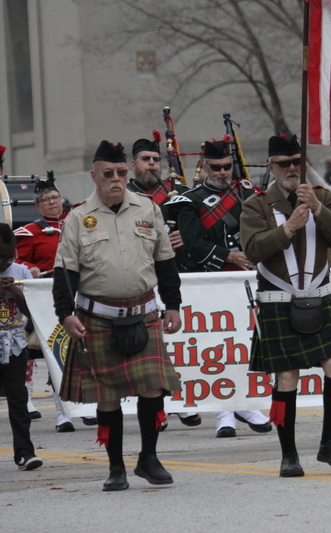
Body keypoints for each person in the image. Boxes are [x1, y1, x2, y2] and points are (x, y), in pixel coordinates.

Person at [53, 140, 182, 491]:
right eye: (107, 173)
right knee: (107, 396)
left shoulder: (147, 208)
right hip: (99, 318)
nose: (116, 179)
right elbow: (65, 274)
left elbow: (165, 261)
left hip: (143, 313)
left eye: (121, 173)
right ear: (94, 176)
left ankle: (149, 458)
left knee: (154, 387)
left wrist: (173, 304)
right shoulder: (79, 217)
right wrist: (65, 314)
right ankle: (115, 467)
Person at [240, 134, 331, 478]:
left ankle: (328, 443)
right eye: (284, 163)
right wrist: (289, 227)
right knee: (287, 376)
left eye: (297, 162)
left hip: (318, 298)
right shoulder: (256, 205)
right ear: (271, 167)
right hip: (279, 300)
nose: (292, 168)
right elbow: (253, 250)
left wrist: (318, 209)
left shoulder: (322, 196)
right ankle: (289, 454)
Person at [175, 139, 271, 437]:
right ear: (203, 166)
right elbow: (191, 243)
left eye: (227, 167)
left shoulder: (249, 194)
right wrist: (228, 256)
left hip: (249, 279)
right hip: (211, 279)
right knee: (217, 347)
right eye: (216, 167)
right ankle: (224, 413)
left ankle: (245, 403)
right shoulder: (190, 200)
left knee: (245, 343)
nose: (222, 172)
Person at [128, 136, 201, 429]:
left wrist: (185, 237)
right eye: (146, 160)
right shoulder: (126, 195)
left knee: (181, 346)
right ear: (133, 164)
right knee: (150, 353)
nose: (152, 165)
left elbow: (196, 229)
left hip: (173, 273)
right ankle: (159, 407)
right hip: (139, 278)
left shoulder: (175, 193)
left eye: (155, 159)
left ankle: (180, 402)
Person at [14, 178, 80, 431]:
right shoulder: (28, 232)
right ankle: (64, 412)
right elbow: (15, 264)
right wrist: (30, 268)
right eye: (46, 200)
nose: (52, 203)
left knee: (83, 353)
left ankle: (87, 407)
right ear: (37, 206)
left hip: (81, 294)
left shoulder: (77, 225)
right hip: (49, 300)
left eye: (55, 198)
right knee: (56, 354)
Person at [0, 223, 43, 471]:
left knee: (18, 399)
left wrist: (16, 292)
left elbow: (31, 312)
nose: (4, 262)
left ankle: (25, 453)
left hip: (13, 345)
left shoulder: (21, 271)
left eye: (9, 256)